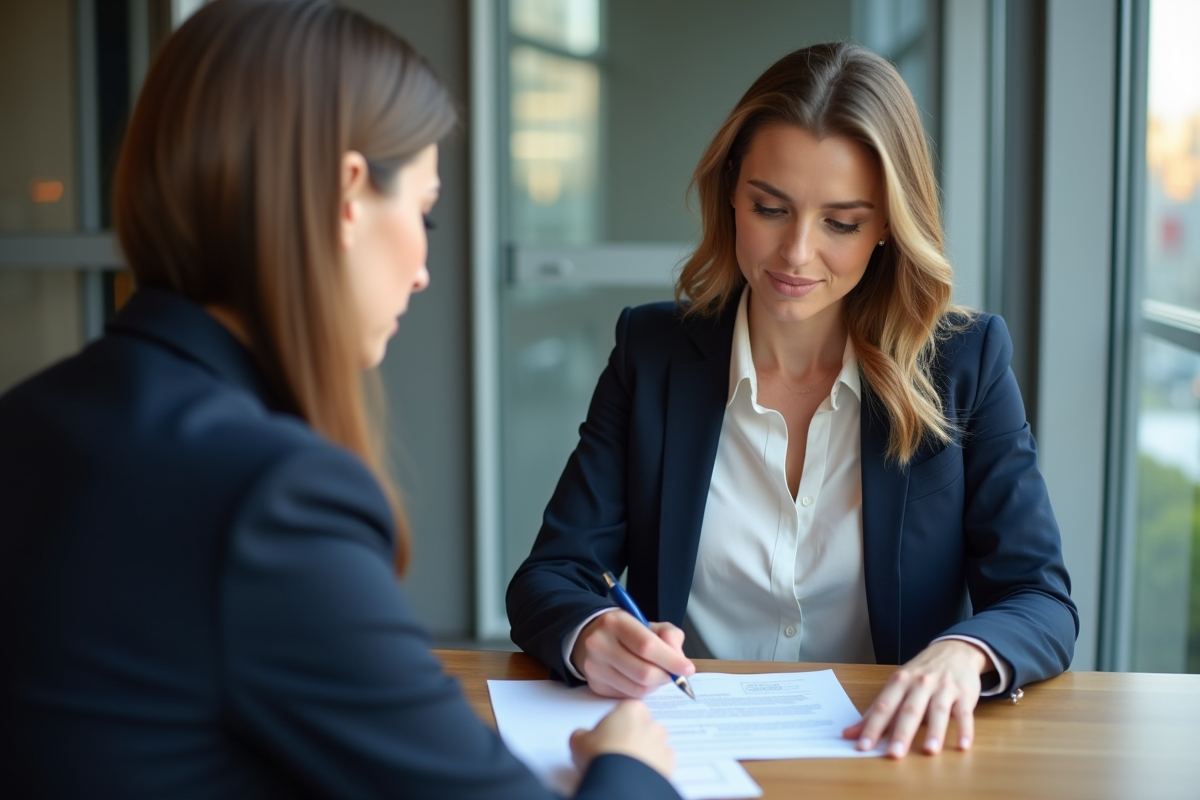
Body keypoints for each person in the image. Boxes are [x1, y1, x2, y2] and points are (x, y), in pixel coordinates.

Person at [0, 2, 680, 798]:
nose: (424, 269)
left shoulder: (28, 419)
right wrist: (629, 766)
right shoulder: (267, 500)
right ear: (348, 195)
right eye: (422, 211)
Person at [506, 42, 1078, 760]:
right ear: (732, 198)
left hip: (881, 757)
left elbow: (1039, 599)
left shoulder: (964, 363)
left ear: (886, 230)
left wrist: (963, 654)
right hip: (687, 750)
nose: (795, 254)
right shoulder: (653, 352)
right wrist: (591, 634)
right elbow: (550, 576)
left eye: (841, 223)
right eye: (770, 208)